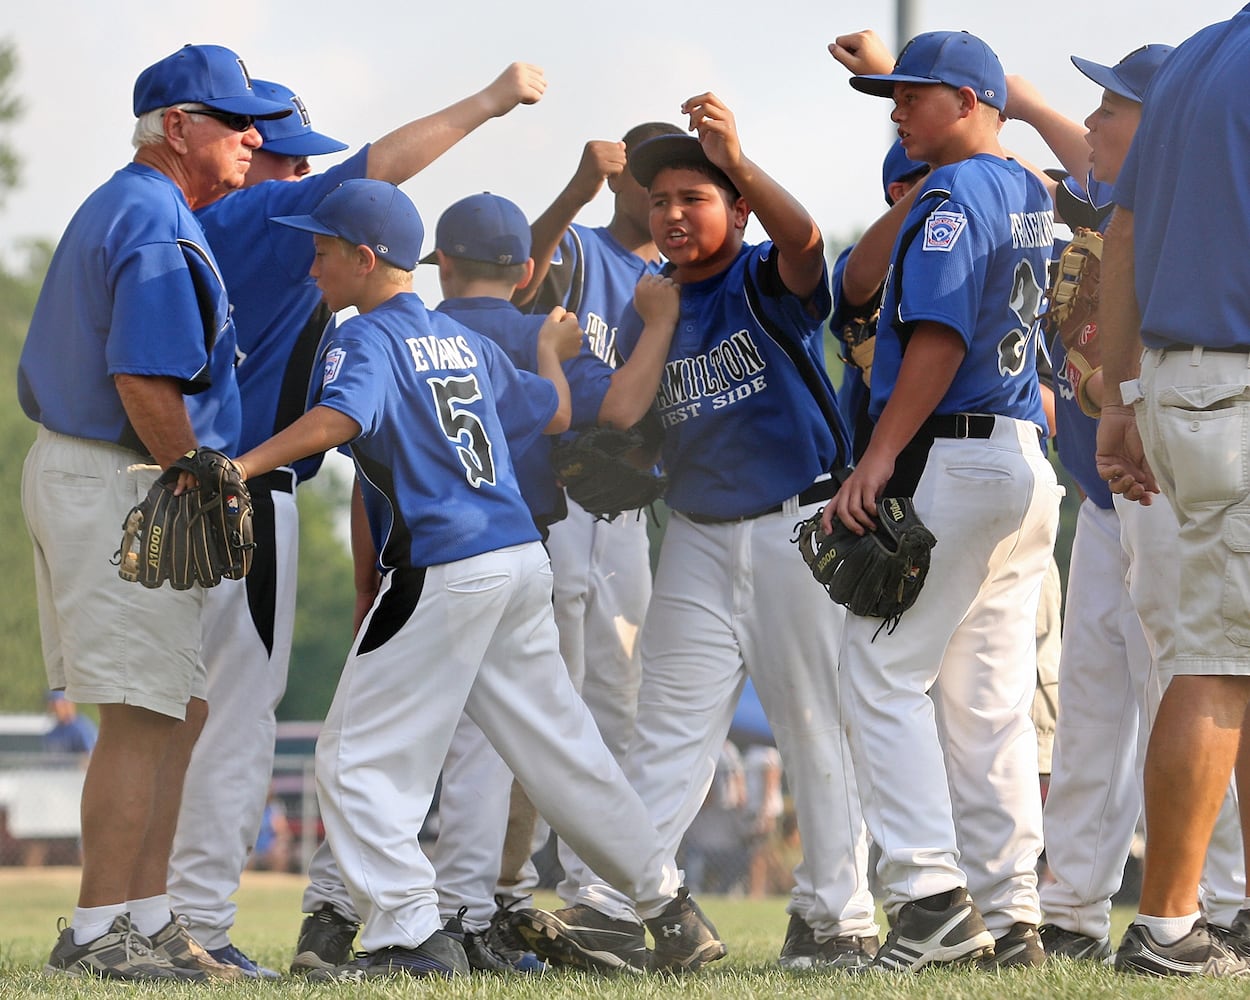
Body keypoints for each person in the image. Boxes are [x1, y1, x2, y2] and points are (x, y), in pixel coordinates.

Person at [232, 178, 724, 980]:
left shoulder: (366, 340)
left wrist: (243, 463)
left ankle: (409, 937)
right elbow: (548, 409)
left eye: (321, 252)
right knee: (564, 753)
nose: (311, 267)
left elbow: (343, 418)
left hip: (447, 566)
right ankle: (668, 908)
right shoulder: (465, 343)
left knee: (354, 761)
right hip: (521, 560)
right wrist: (545, 355)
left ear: (365, 259)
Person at [167, 63, 548, 981]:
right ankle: (199, 921)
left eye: (304, 165)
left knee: (185, 710)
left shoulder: (210, 230)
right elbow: (383, 171)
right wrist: (488, 99)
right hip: (248, 495)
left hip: (220, 483)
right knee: (239, 720)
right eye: (281, 158)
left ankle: (156, 913)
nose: (298, 181)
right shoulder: (255, 224)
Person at [513, 92, 878, 974]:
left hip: (799, 523)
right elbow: (627, 411)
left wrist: (740, 158)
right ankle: (610, 905)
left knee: (811, 725)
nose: (674, 214)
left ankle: (838, 915)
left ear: (736, 207)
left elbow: (806, 247)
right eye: (663, 199)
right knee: (665, 730)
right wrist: (662, 320)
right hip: (697, 538)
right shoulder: (654, 301)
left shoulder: (762, 276)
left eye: (696, 197)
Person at [17, 43, 292, 982]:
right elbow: (141, 378)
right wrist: (196, 475)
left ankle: (145, 915)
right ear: (177, 127)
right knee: (142, 711)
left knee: (179, 702)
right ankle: (100, 933)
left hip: (109, 470)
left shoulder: (150, 207)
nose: (254, 136)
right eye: (233, 118)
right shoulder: (151, 218)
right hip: (119, 472)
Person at [825, 29, 1061, 970]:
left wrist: (878, 457)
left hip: (953, 457)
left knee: (879, 674)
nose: (895, 110)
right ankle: (1012, 915)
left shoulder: (959, 195)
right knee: (989, 703)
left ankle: (927, 903)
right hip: (1023, 466)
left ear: (965, 100)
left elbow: (936, 337)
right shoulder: (1022, 189)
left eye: (912, 95)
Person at [1005, 42, 1242, 963]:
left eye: (1112, 105)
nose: (1095, 121)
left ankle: (1211, 901)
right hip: (1161, 446)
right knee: (1157, 684)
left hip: (1168, 429)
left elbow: (1121, 213)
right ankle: (1121, 915)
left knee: (1197, 669)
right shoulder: (1138, 166)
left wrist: (1125, 399)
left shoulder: (1189, 110)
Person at [1096, 6, 1250, 978]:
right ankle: (1163, 930)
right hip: (1238, 381)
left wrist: (1118, 399)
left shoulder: (1195, 55)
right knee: (1216, 658)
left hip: (1181, 380)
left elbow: (1118, 236)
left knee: (1232, 656)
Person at [496, 122, 683, 916]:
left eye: (681, 184)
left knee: (622, 700)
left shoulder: (683, 275)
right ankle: (503, 882)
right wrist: (573, 189)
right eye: (651, 180)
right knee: (555, 692)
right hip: (565, 497)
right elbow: (514, 279)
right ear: (619, 184)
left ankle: (593, 888)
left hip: (631, 509)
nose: (665, 198)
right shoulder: (579, 249)